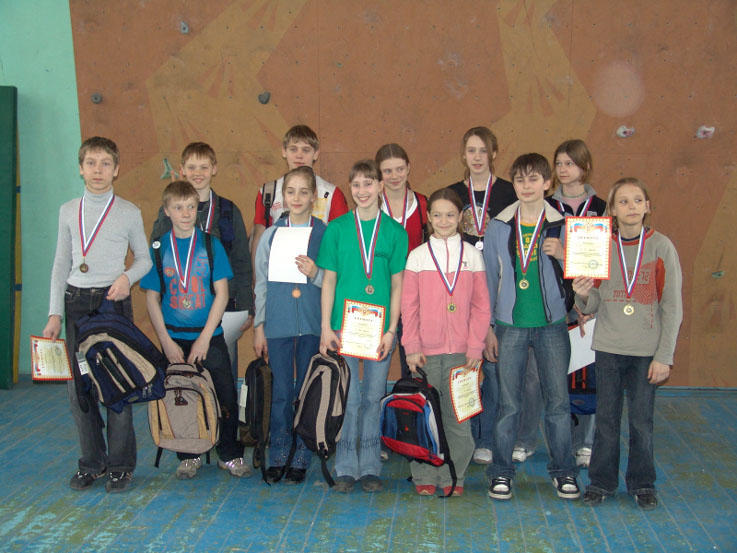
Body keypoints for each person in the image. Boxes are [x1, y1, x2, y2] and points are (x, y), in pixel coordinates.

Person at [42, 136, 152, 493]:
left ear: (116, 169)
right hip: (75, 304)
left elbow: (145, 259)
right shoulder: (67, 210)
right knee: (80, 389)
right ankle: (93, 462)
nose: (98, 170)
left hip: (111, 304)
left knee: (116, 384)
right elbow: (61, 264)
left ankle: (120, 465)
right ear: (81, 168)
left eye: (106, 163)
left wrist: (126, 278)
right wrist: (55, 314)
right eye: (91, 163)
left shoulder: (129, 212)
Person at [574, 177, 682, 510]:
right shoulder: (599, 245)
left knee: (641, 422)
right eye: (623, 201)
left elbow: (672, 306)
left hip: (646, 352)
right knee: (606, 420)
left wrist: (664, 356)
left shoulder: (662, 246)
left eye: (637, 200)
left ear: (647, 206)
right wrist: (582, 295)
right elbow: (592, 303)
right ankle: (601, 482)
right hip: (608, 347)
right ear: (612, 209)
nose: (631, 207)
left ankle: (642, 483)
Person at [483, 153, 580, 501]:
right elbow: (487, 279)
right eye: (520, 179)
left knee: (558, 402)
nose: (527, 186)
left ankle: (563, 470)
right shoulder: (498, 226)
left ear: (547, 183)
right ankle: (501, 471)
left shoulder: (563, 226)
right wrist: (488, 327)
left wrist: (564, 254)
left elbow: (585, 272)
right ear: (514, 184)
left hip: (552, 325)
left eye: (534, 179)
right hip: (509, 325)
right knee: (508, 403)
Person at [141, 181, 250, 480]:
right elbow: (151, 298)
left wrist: (204, 338)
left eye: (191, 207)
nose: (186, 213)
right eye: (178, 208)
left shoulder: (211, 246)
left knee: (225, 397)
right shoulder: (159, 248)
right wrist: (165, 341)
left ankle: (229, 454)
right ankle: (188, 455)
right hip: (174, 339)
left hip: (208, 336)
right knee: (181, 397)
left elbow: (222, 295)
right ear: (167, 211)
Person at [513, 139, 607, 467]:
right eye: (560, 163)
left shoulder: (601, 207)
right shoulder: (543, 204)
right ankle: (526, 439)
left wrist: (586, 301)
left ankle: (584, 443)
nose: (565, 169)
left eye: (571, 163)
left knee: (585, 375)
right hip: (549, 303)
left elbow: (602, 260)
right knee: (535, 377)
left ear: (585, 166)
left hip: (586, 302)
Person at [317, 160, 408, 493]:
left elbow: (397, 285)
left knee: (373, 397)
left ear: (380, 187)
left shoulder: (395, 233)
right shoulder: (337, 229)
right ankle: (345, 466)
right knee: (349, 399)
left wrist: (392, 330)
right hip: (343, 328)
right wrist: (326, 327)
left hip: (379, 331)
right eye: (356, 185)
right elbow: (329, 281)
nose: (362, 191)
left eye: (368, 183)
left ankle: (369, 465)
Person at [401, 188, 490, 496]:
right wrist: (411, 347)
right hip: (424, 354)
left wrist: (475, 347)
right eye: (437, 215)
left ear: (460, 217)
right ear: (428, 218)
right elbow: (409, 307)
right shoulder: (417, 257)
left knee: (457, 420)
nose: (443, 220)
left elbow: (481, 307)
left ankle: (455, 474)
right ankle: (424, 473)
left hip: (462, 355)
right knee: (425, 417)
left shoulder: (473, 256)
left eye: (450, 215)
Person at [150, 142, 254, 379]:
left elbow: (241, 260)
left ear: (214, 169)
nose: (198, 173)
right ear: (182, 170)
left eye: (204, 167)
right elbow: (157, 249)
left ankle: (224, 403)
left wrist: (246, 303)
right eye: (191, 167)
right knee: (184, 375)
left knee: (222, 370)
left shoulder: (228, 210)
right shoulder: (170, 210)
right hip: (181, 307)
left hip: (225, 305)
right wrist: (172, 200)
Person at [447, 127, 517, 466]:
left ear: (493, 154)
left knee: (493, 367)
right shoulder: (451, 194)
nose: (477, 157)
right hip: (460, 292)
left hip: (498, 291)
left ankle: (488, 438)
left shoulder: (508, 193)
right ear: (463, 154)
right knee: (465, 366)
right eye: (471, 150)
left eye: (483, 151)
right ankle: (466, 436)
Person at [253, 166, 327, 485]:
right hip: (278, 324)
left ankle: (302, 457)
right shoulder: (271, 235)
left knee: (306, 392)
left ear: (314, 197)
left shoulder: (325, 234)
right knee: (282, 393)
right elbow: (260, 283)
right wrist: (259, 325)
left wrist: (316, 274)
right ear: (283, 196)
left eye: (303, 192)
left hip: (312, 324)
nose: (297, 198)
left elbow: (334, 281)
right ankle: (280, 454)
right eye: (290, 191)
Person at [251, 125, 349, 261]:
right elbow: (259, 238)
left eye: (306, 150)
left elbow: (341, 241)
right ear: (284, 151)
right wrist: (256, 274)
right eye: (293, 149)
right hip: (278, 268)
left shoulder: (332, 194)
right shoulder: (268, 192)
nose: (299, 155)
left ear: (316, 154)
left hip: (318, 268)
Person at [376, 143, 427, 382]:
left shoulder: (424, 205)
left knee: (414, 366)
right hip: (380, 294)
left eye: (399, 169)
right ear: (379, 174)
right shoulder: (371, 206)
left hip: (414, 297)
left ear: (408, 168)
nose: (394, 176)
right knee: (377, 362)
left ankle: (413, 403)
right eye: (387, 171)